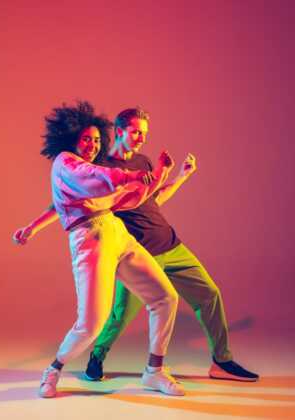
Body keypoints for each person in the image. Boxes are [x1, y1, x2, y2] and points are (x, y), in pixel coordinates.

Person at [14, 107, 259, 382]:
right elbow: (67, 199)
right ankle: (90, 358)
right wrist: (33, 226)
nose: (142, 138)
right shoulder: (95, 165)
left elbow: (151, 198)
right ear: (119, 132)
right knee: (114, 317)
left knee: (198, 295)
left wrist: (176, 176)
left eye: (144, 133)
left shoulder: (142, 162)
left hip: (164, 242)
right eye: (136, 132)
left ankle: (210, 362)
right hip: (125, 244)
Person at [27, 101, 185, 398]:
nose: (93, 145)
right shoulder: (65, 162)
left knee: (165, 298)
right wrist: (132, 176)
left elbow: (127, 199)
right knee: (91, 325)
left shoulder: (92, 166)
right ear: (71, 137)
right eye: (86, 139)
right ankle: (53, 370)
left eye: (98, 140)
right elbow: (98, 181)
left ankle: (154, 371)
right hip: (89, 240)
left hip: (116, 231)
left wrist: (161, 175)